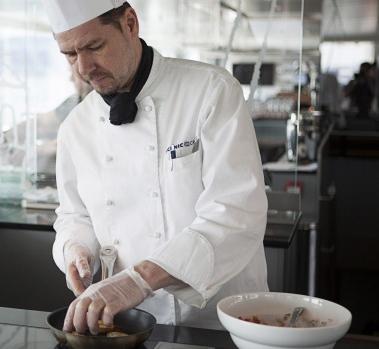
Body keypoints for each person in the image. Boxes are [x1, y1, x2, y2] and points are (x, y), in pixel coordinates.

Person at [42, 0, 269, 333]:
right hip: (131, 324)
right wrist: (75, 248)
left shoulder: (211, 91)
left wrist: (137, 280)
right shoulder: (75, 127)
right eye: (70, 55)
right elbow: (74, 216)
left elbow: (236, 211)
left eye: (94, 46)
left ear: (130, 23)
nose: (83, 68)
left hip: (221, 321)